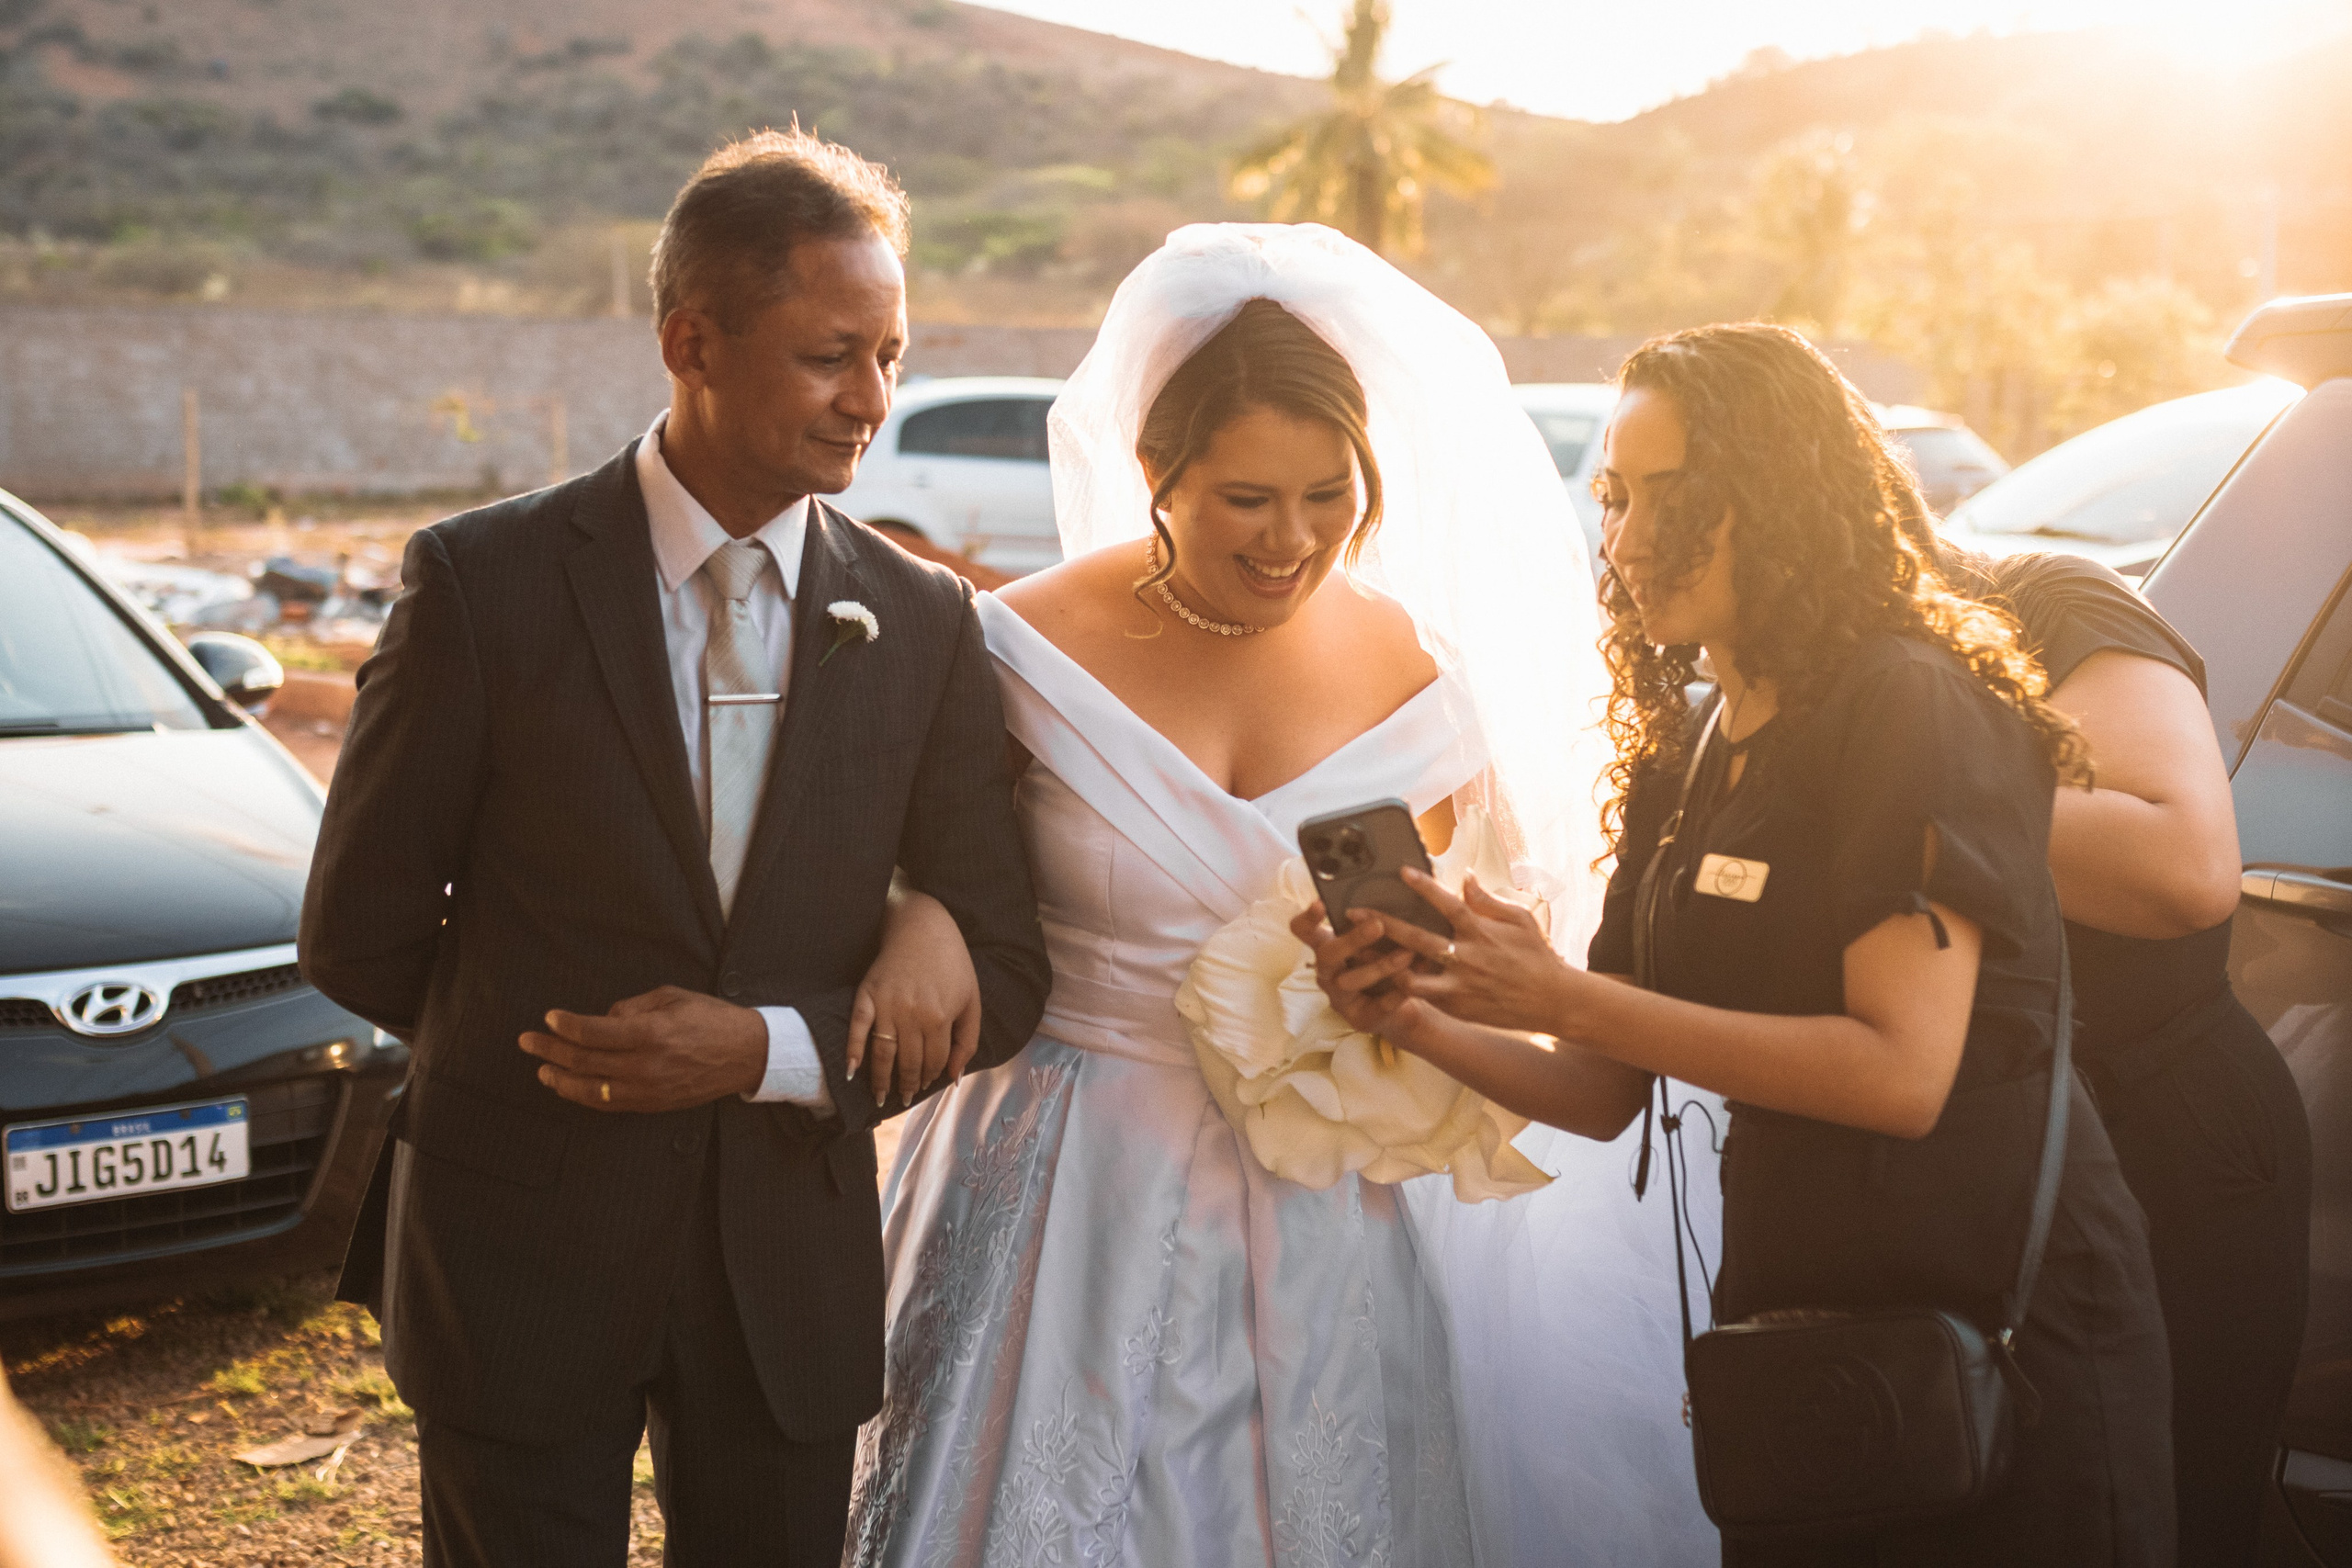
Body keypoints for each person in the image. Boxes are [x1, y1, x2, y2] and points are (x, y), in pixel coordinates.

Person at [844, 224, 1717, 1567]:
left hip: (1321, 1191)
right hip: (1069, 1174)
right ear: (1156, 472)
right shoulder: (1014, 646)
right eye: (1248, 497)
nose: (1293, 537)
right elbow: (935, 863)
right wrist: (920, 911)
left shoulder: (1428, 680)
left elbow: (1468, 963)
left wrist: (1415, 984)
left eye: (1329, 493)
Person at [1301, 322, 2179, 1564]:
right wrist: (1425, 1010)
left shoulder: (1908, 700)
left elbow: (1901, 1071)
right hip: (1800, 1335)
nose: (1631, 538)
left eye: (1681, 495)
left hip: (1991, 1341)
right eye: (1617, 494)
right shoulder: (1690, 742)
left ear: (1782, 495)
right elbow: (1606, 1091)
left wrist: (1566, 995)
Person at [298, 129, 1051, 1568]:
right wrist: (559, 1049)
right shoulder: (479, 583)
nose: (874, 400)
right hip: (515, 1248)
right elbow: (359, 928)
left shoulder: (926, 623)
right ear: (690, 340)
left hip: (783, 1261)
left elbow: (1005, 968)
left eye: (893, 354)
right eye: (835, 355)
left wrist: (762, 1045)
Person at [1930, 543, 2312, 1567]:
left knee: (2170, 1522)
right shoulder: (1754, 699)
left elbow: (2182, 869)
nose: (1633, 541)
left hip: (2164, 1145)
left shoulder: (2048, 603)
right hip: (1955, 1172)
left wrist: (1892, 788)